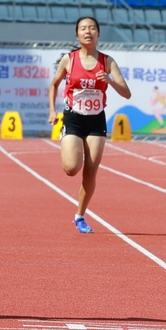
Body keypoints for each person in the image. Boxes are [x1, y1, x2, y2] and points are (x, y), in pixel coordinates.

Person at [47, 17, 131, 234]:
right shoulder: (69, 60)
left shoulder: (107, 62)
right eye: (83, 29)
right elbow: (54, 84)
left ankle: (80, 216)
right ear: (77, 35)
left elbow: (127, 93)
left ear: (98, 34)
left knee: (91, 172)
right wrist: (52, 110)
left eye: (92, 28)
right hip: (73, 118)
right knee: (71, 168)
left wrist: (110, 81)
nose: (88, 32)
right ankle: (73, 147)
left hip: (96, 120)